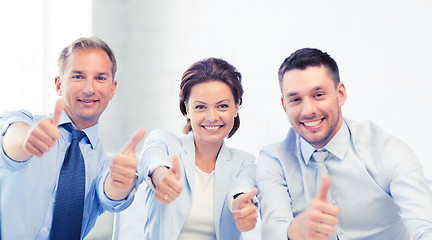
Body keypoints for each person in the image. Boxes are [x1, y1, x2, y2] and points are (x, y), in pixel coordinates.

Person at [257, 48, 432, 240]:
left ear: (340, 94)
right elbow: (272, 229)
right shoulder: (274, 160)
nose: (308, 110)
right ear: (285, 105)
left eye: (318, 95)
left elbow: (424, 226)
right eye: (296, 99)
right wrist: (292, 231)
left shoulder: (386, 151)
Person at [0, 37, 145, 239]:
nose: (89, 89)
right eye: (78, 76)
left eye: (100, 78)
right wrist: (26, 140)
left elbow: (109, 193)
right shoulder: (24, 123)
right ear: (59, 84)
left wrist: (121, 183)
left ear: (112, 89)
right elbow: (9, 140)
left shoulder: (104, 164)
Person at [118, 57, 258, 240]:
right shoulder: (164, 142)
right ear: (187, 108)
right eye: (200, 107)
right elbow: (153, 159)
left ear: (236, 106)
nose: (212, 117)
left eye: (222, 106)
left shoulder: (244, 161)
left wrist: (242, 205)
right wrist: (162, 177)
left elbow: (243, 188)